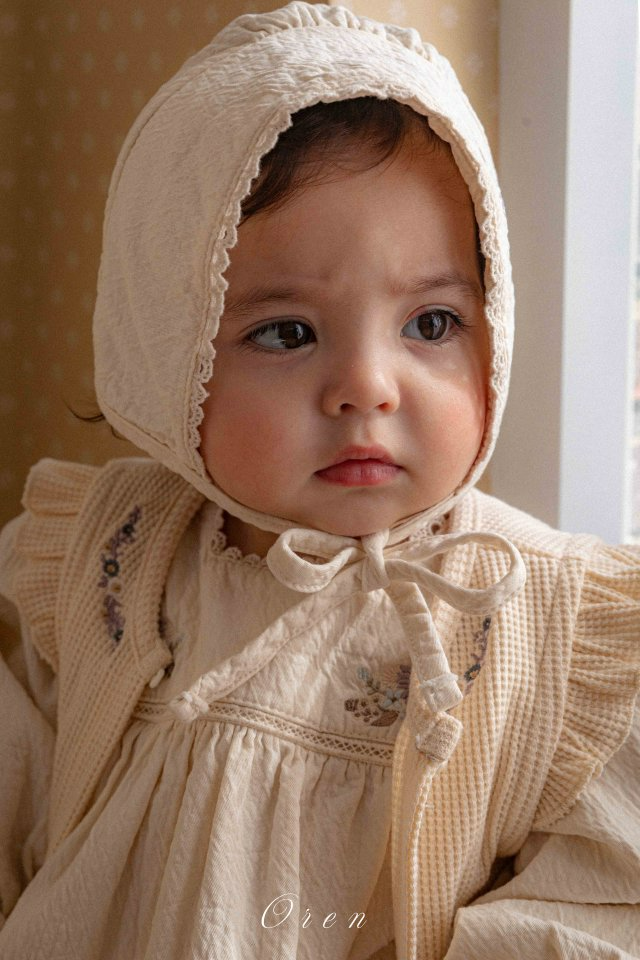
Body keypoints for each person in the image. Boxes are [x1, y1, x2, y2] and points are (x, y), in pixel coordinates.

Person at [0, 3, 638, 958]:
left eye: (431, 324)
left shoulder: (536, 621)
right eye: (288, 333)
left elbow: (598, 900)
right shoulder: (111, 557)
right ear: (168, 359)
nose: (368, 387)